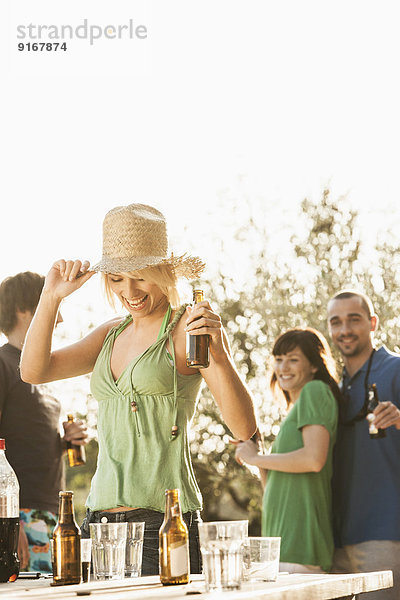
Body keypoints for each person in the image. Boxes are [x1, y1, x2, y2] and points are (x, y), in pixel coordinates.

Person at [20, 203, 257, 576]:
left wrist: (221, 354)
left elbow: (243, 429)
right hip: (98, 523)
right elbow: (34, 371)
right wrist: (50, 297)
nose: (128, 291)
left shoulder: (186, 330)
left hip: (162, 521)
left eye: (140, 277)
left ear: (163, 272)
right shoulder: (109, 334)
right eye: (116, 279)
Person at [0, 271, 87, 573]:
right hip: (19, 518)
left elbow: (24, 437)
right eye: (52, 304)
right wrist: (7, 523)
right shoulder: (2, 364)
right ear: (23, 310)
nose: (60, 319)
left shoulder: (42, 370)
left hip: (51, 514)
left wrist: (63, 443)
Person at [235, 327, 340, 573]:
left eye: (293, 360)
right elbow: (274, 487)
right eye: (279, 360)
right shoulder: (293, 412)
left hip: (302, 542)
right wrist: (257, 455)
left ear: (314, 366)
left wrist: (257, 457)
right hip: (281, 545)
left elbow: (314, 460)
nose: (283, 368)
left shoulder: (315, 391)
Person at [327, 290, 400, 599]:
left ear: (372, 323)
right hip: (334, 540)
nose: (344, 330)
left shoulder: (395, 368)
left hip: (386, 532)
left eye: (353, 320)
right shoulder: (332, 385)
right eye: (336, 322)